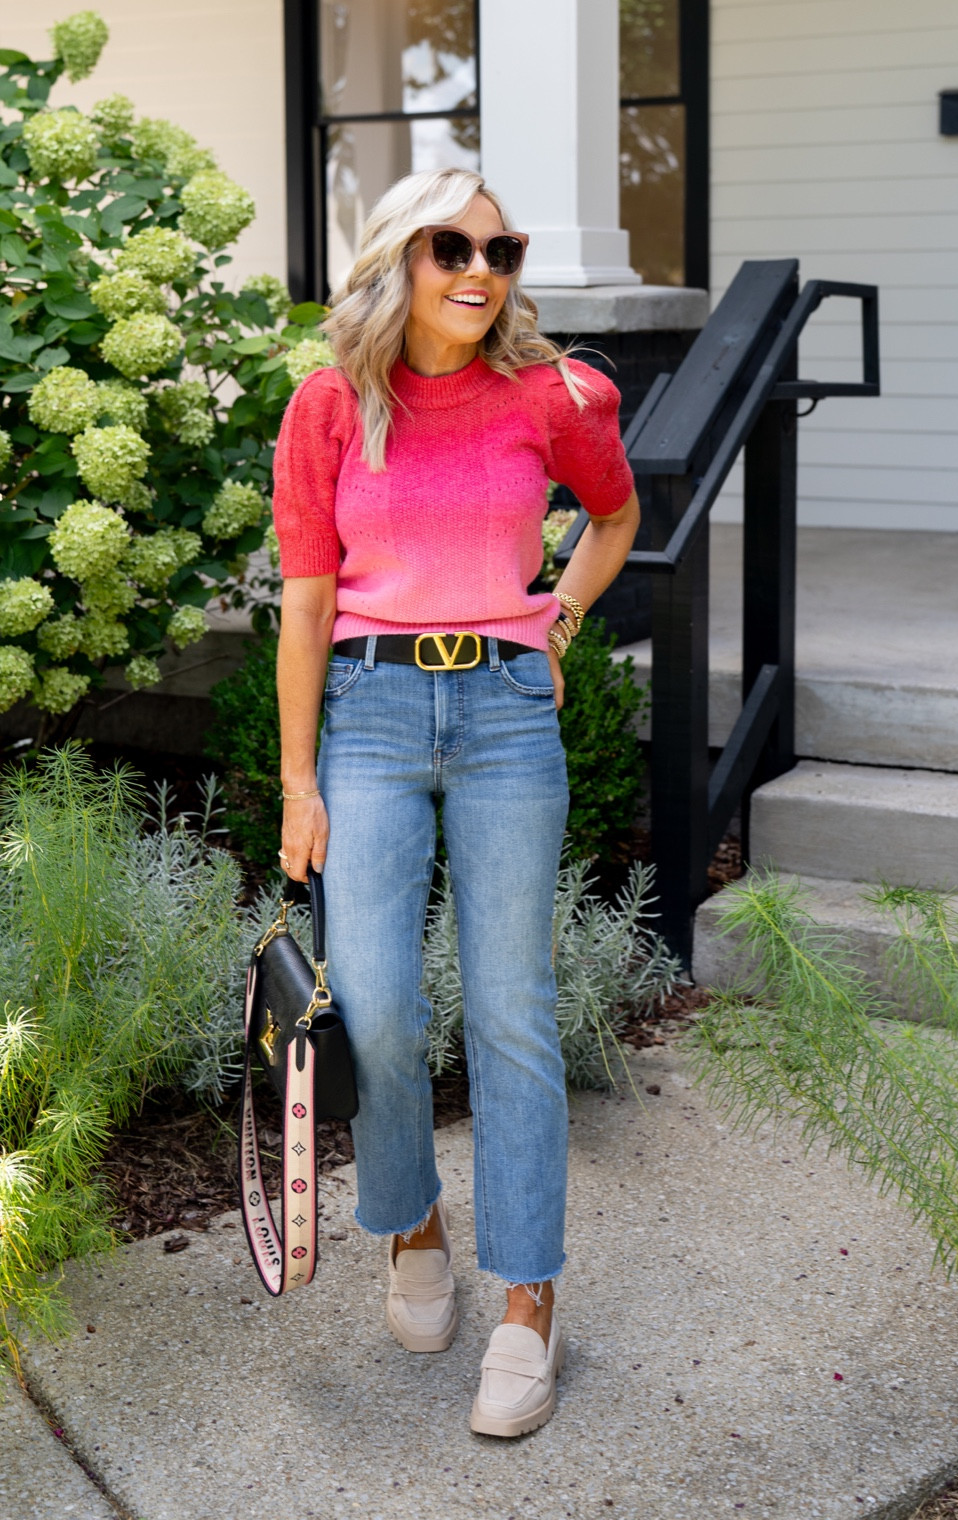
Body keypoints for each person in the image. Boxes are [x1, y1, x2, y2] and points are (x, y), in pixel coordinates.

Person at [271, 167, 640, 1438]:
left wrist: (562, 621)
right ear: (398, 260)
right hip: (368, 715)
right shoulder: (328, 406)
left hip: (500, 714)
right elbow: (308, 604)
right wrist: (296, 779)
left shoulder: (553, 395)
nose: (480, 267)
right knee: (371, 1000)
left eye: (500, 246)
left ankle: (529, 1296)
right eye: (451, 245)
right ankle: (412, 1216)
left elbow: (614, 512)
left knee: (512, 1012)